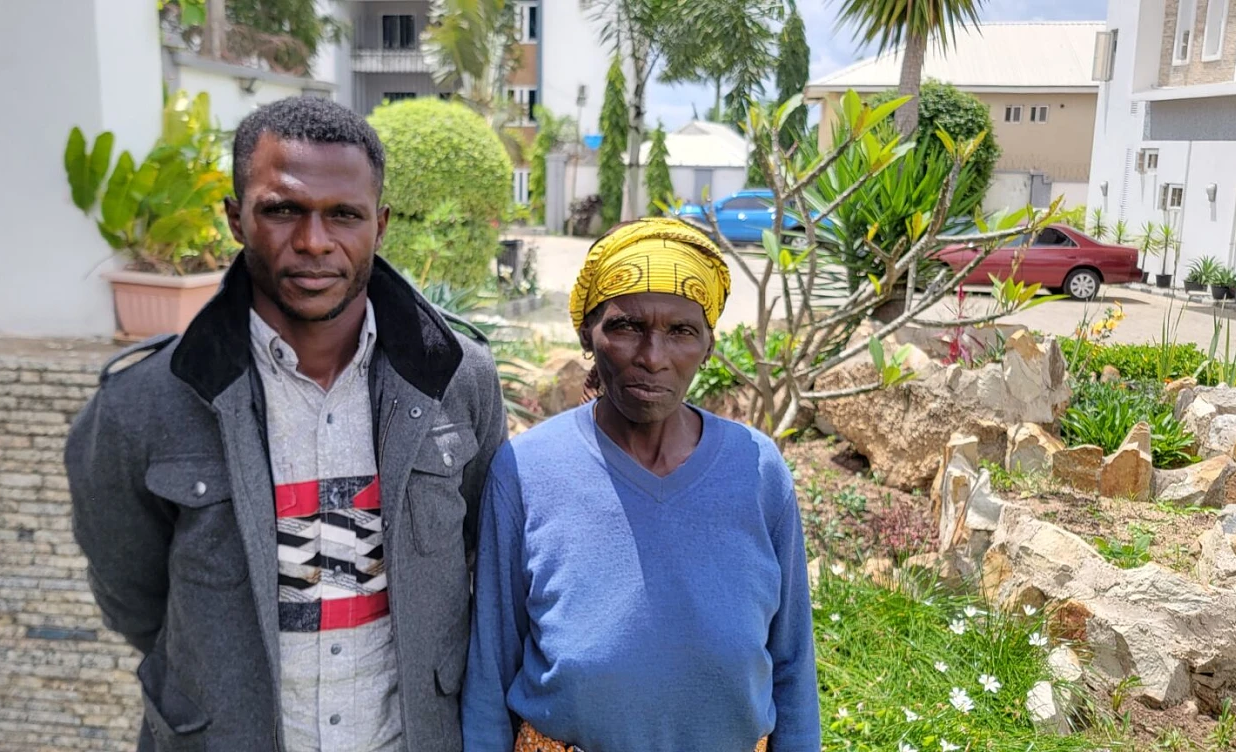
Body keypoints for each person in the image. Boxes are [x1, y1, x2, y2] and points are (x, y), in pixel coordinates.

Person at [66, 96, 506, 752]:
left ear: (379, 225)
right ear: (236, 219)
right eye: (282, 210)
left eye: (344, 215)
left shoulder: (456, 380)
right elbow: (132, 596)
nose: (313, 242)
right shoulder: (142, 407)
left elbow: (476, 550)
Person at [462, 218, 820, 752]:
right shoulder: (527, 469)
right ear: (589, 334)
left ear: (708, 344)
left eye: (681, 331)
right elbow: (491, 667)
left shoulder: (757, 469)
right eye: (627, 326)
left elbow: (792, 662)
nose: (653, 357)